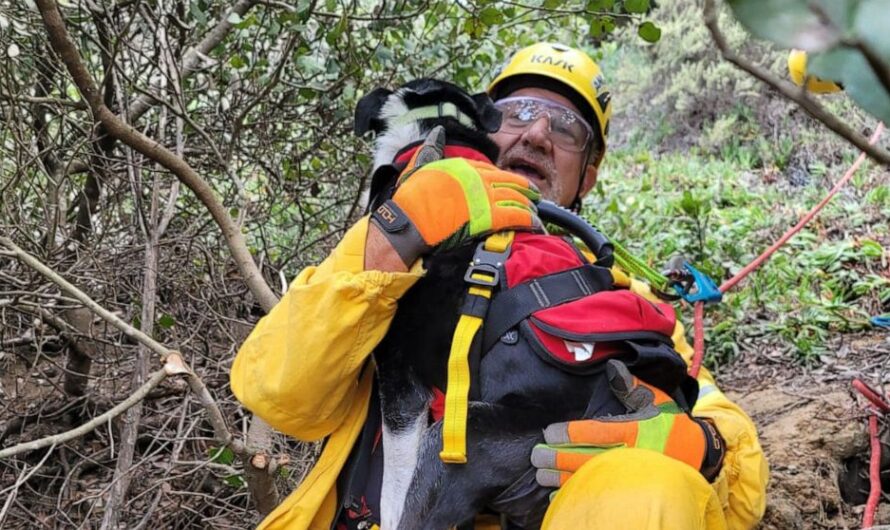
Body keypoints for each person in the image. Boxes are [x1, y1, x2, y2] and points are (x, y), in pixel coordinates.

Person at [231, 42, 768, 529]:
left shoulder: (619, 301)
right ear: (483, 129)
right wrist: (394, 235)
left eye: (566, 128)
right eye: (517, 114)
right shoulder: (400, 240)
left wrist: (708, 445)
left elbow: (738, 477)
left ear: (589, 173)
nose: (536, 134)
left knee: (651, 488)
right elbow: (279, 395)